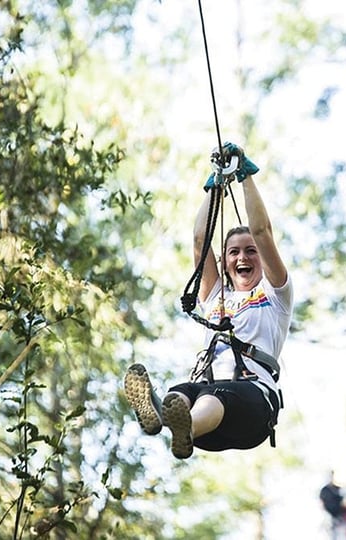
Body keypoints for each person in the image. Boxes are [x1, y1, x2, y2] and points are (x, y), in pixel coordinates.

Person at [124, 142, 293, 459]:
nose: (242, 256)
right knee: (184, 392)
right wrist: (215, 184)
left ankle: (184, 426)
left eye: (250, 250)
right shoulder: (216, 296)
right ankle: (167, 418)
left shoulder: (275, 293)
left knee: (216, 396)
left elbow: (262, 230)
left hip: (254, 405)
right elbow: (201, 240)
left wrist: (244, 176)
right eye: (234, 252)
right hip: (209, 413)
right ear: (226, 261)